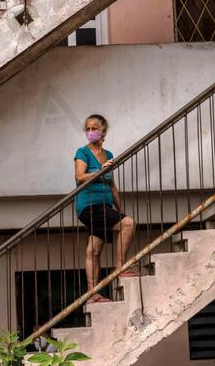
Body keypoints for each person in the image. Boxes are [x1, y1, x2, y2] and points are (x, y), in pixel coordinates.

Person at [74, 114, 136, 303]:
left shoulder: (108, 155)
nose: (90, 132)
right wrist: (101, 169)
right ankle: (120, 268)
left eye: (94, 128)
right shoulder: (82, 152)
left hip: (104, 204)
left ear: (103, 131)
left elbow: (111, 184)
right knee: (128, 224)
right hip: (89, 205)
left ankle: (92, 294)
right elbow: (80, 177)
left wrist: (118, 207)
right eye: (88, 129)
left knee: (94, 248)